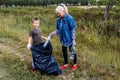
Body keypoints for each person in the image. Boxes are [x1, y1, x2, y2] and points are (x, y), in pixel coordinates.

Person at [50, 3, 78, 71]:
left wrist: (73, 39)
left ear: (63, 11)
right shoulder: (59, 20)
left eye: (59, 13)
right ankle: (66, 63)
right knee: (64, 50)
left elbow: (72, 29)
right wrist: (53, 33)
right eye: (57, 13)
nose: (58, 15)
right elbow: (58, 30)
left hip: (70, 38)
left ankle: (75, 64)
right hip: (63, 38)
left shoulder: (69, 18)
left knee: (72, 51)